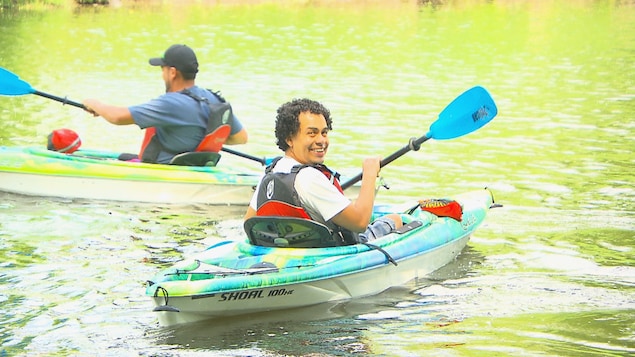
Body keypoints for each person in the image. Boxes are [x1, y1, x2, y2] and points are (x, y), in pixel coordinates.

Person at [244, 98, 402, 244]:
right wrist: (369, 174)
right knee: (395, 219)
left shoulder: (271, 172)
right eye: (311, 133)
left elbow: (249, 223)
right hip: (328, 254)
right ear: (289, 139)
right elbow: (360, 222)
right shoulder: (309, 178)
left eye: (324, 133)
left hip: (286, 249)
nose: (321, 140)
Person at [82, 44, 248, 164]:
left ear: (173, 72)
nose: (162, 74)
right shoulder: (214, 99)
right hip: (197, 168)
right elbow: (241, 137)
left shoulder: (171, 103)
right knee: (121, 157)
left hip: (165, 170)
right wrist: (199, 137)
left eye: (163, 69)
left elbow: (118, 117)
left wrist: (95, 104)